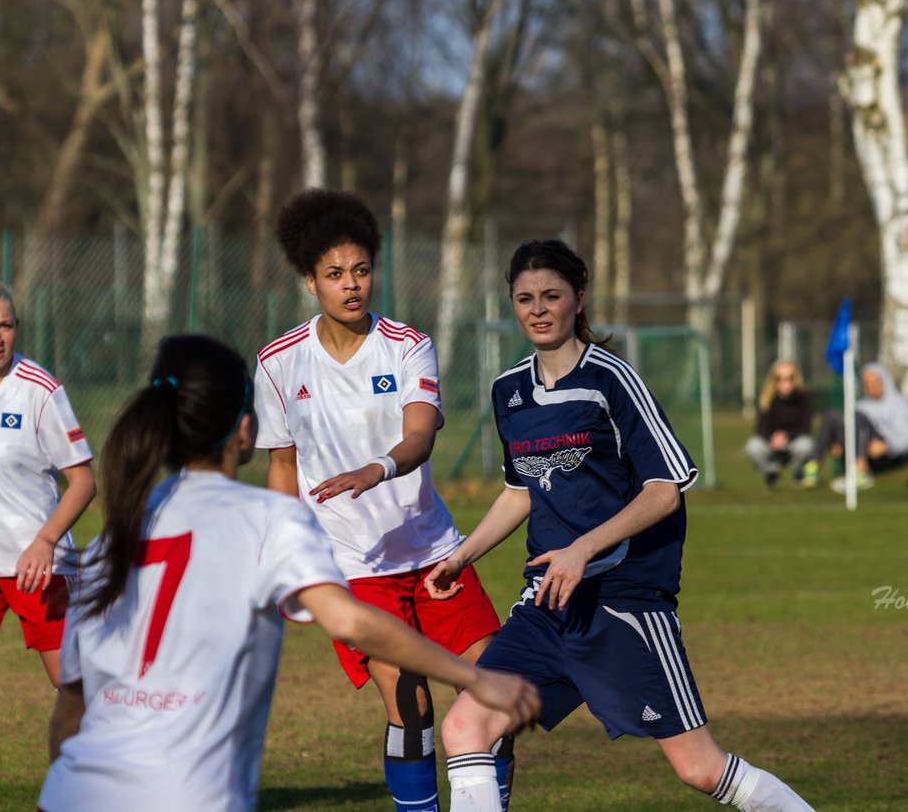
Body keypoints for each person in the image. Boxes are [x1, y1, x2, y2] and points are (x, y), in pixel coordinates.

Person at [38, 335, 539, 812]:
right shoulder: (267, 519)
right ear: (246, 428)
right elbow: (352, 622)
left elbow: (70, 713)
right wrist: (475, 679)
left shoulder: (112, 537)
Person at [425, 239, 814, 812]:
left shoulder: (612, 381)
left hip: (622, 601)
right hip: (547, 606)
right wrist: (463, 555)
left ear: (578, 298)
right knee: (465, 729)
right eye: (525, 297)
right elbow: (521, 490)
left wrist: (582, 549)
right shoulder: (508, 390)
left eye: (551, 295)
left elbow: (666, 490)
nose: (538, 309)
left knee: (700, 769)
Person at [253, 189, 512, 812]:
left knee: (496, 695)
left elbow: (419, 435)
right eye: (335, 274)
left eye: (362, 270)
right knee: (411, 707)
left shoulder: (407, 345)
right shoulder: (277, 362)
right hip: (353, 567)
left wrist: (376, 469)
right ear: (310, 282)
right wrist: (286, 561)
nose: (352, 285)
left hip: (433, 553)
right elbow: (282, 468)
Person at [0, 278, 95, 689]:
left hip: (36, 568)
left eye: (5, 326)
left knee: (74, 690)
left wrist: (45, 542)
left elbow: (83, 481)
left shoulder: (39, 391)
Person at [814, 362, 908, 491]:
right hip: (864, 450)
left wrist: (888, 447)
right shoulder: (861, 406)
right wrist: (838, 442)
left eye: (876, 382)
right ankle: (813, 467)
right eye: (867, 383)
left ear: (884, 381)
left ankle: (860, 472)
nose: (872, 387)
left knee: (858, 417)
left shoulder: (900, 405)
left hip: (888, 455)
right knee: (832, 416)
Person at [744, 360, 817, 489]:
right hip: (772, 443)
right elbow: (760, 428)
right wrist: (772, 439)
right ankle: (771, 473)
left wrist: (786, 436)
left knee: (806, 444)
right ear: (774, 380)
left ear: (796, 379)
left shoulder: (804, 397)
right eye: (780, 378)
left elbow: (806, 427)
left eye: (789, 378)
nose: (785, 383)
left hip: (793, 442)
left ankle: (797, 473)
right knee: (752, 446)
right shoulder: (766, 398)